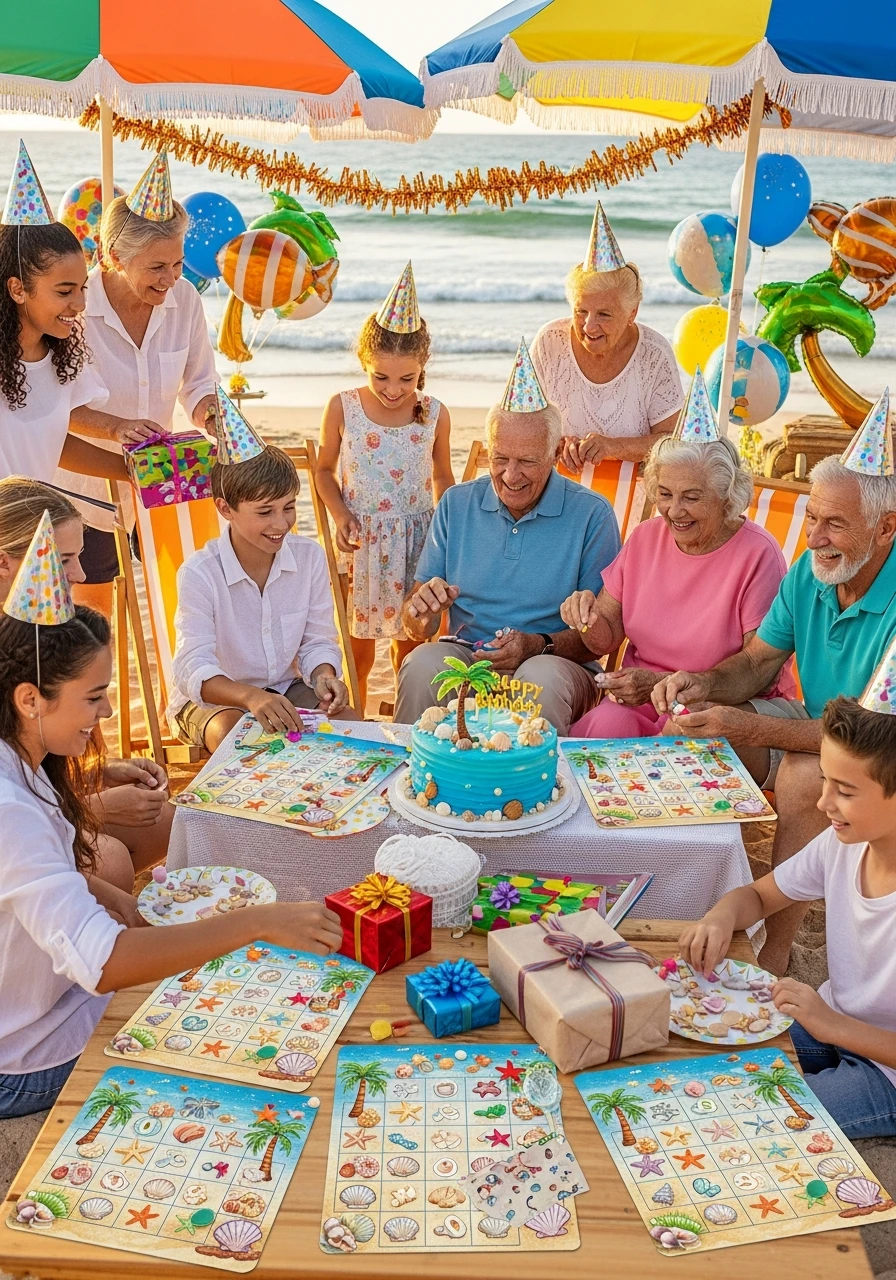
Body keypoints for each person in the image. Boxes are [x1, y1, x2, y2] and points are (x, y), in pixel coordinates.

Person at [0, 595, 343, 1117]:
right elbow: (104, 961)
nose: (109, 711)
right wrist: (256, 923)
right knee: (220, 1032)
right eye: (94, 697)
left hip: (44, 1011)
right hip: (22, 1056)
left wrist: (117, 898)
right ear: (30, 699)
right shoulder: (11, 809)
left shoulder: (22, 760)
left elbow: (32, 876)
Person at [653, 391, 896, 977]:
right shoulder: (811, 573)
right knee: (688, 727)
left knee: (807, 772)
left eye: (834, 524)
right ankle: (685, 900)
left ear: (886, 527)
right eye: (811, 516)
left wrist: (747, 724)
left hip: (879, 753)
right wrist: (701, 683)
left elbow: (868, 736)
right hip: (821, 725)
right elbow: (757, 664)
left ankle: (778, 950)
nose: (812, 537)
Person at [680, 689, 896, 1139]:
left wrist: (830, 1023)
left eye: (846, 791)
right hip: (830, 1023)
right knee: (709, 1069)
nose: (822, 804)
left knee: (757, 1116)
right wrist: (722, 914)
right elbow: (757, 898)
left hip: (887, 1075)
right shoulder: (841, 845)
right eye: (825, 781)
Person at [395, 339, 620, 733]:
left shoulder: (592, 514)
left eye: (527, 462)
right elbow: (418, 628)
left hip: (556, 662)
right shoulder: (455, 504)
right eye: (500, 458)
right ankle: (413, 782)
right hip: (467, 655)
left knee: (540, 678)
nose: (510, 476)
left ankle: (534, 792)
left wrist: (537, 644)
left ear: (553, 455)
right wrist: (421, 613)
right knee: (421, 665)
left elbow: (599, 639)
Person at [560, 377, 794, 748]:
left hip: (720, 701)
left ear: (725, 496)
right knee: (603, 735)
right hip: (640, 697)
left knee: (674, 746)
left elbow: (759, 669)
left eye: (692, 497)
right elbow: (607, 632)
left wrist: (666, 686)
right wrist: (586, 620)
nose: (674, 510)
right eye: (665, 494)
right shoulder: (645, 538)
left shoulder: (758, 555)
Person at [55, 150, 218, 617]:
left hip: (162, 488)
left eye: (178, 263)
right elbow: (56, 406)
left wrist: (211, 413)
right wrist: (115, 427)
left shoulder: (185, 300)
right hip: (84, 490)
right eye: (156, 267)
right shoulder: (74, 309)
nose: (171, 279)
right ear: (111, 257)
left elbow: (200, 382)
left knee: (185, 609)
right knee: (91, 620)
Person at [0, 475, 173, 891]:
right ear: (4, 562)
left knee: (165, 821)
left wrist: (94, 774)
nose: (79, 574)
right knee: (108, 861)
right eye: (63, 560)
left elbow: (24, 759)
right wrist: (92, 808)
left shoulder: (37, 627)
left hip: (32, 807)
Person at [169, 396, 354, 753]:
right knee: (236, 736)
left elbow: (317, 642)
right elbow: (192, 666)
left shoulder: (310, 558)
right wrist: (250, 697)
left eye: (288, 507)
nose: (281, 523)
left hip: (285, 690)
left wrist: (324, 676)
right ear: (225, 508)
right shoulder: (200, 573)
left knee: (350, 729)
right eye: (265, 512)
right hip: (215, 702)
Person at [316, 263, 454, 708]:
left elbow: (442, 478)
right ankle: (351, 715)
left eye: (406, 378)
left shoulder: (434, 413)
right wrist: (341, 514)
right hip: (363, 540)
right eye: (381, 376)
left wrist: (448, 535)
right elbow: (323, 471)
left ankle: (406, 715)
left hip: (417, 540)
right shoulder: (344, 407)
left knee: (411, 642)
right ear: (364, 363)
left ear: (423, 369)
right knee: (358, 646)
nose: (393, 389)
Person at [0, 143, 155, 494]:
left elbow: (50, 443)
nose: (80, 304)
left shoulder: (60, 358)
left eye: (83, 288)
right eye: (64, 291)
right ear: (18, 289)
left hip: (35, 530)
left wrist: (131, 469)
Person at [530, 202, 682, 473]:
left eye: (604, 314)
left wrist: (613, 447)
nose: (589, 326)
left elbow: (672, 442)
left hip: (631, 497)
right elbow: (522, 423)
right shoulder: (549, 342)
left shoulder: (655, 353)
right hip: (555, 487)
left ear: (631, 312)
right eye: (581, 311)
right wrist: (556, 443)